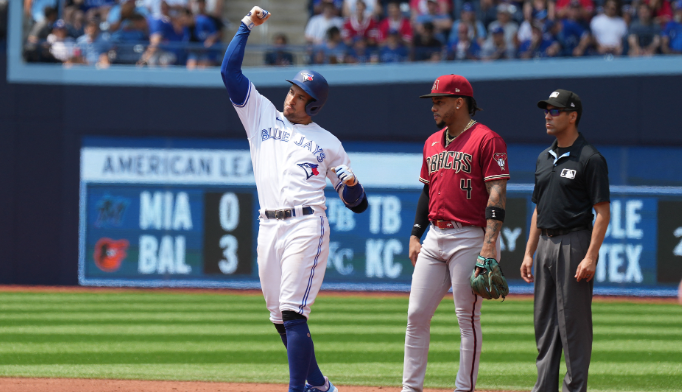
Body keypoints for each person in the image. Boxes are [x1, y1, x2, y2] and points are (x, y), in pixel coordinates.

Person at [221, 6, 368, 392]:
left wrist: (351, 185)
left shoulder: (328, 143)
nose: (291, 99)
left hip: (306, 223)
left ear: (314, 106)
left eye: (300, 96)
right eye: (291, 90)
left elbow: (356, 202)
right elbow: (229, 74)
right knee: (278, 318)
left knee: (293, 313)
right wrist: (246, 26)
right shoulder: (262, 117)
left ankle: (297, 390)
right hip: (268, 225)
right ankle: (319, 385)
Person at [403, 74, 510, 392]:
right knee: (416, 315)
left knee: (467, 318)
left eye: (439, 100)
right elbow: (427, 192)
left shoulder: (487, 139)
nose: (433, 106)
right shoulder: (432, 142)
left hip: (470, 237)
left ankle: (464, 388)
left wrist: (489, 246)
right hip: (435, 236)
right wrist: (415, 234)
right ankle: (410, 388)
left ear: (459, 102)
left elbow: (497, 193)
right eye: (433, 101)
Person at [520, 89, 610, 392]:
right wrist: (528, 252)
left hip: (574, 243)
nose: (548, 115)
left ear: (573, 116)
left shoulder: (590, 157)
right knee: (544, 325)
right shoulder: (544, 157)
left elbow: (603, 214)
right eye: (546, 110)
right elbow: (538, 208)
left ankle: (575, 389)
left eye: (555, 110)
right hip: (544, 243)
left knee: (573, 326)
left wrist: (590, 256)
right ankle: (544, 388)